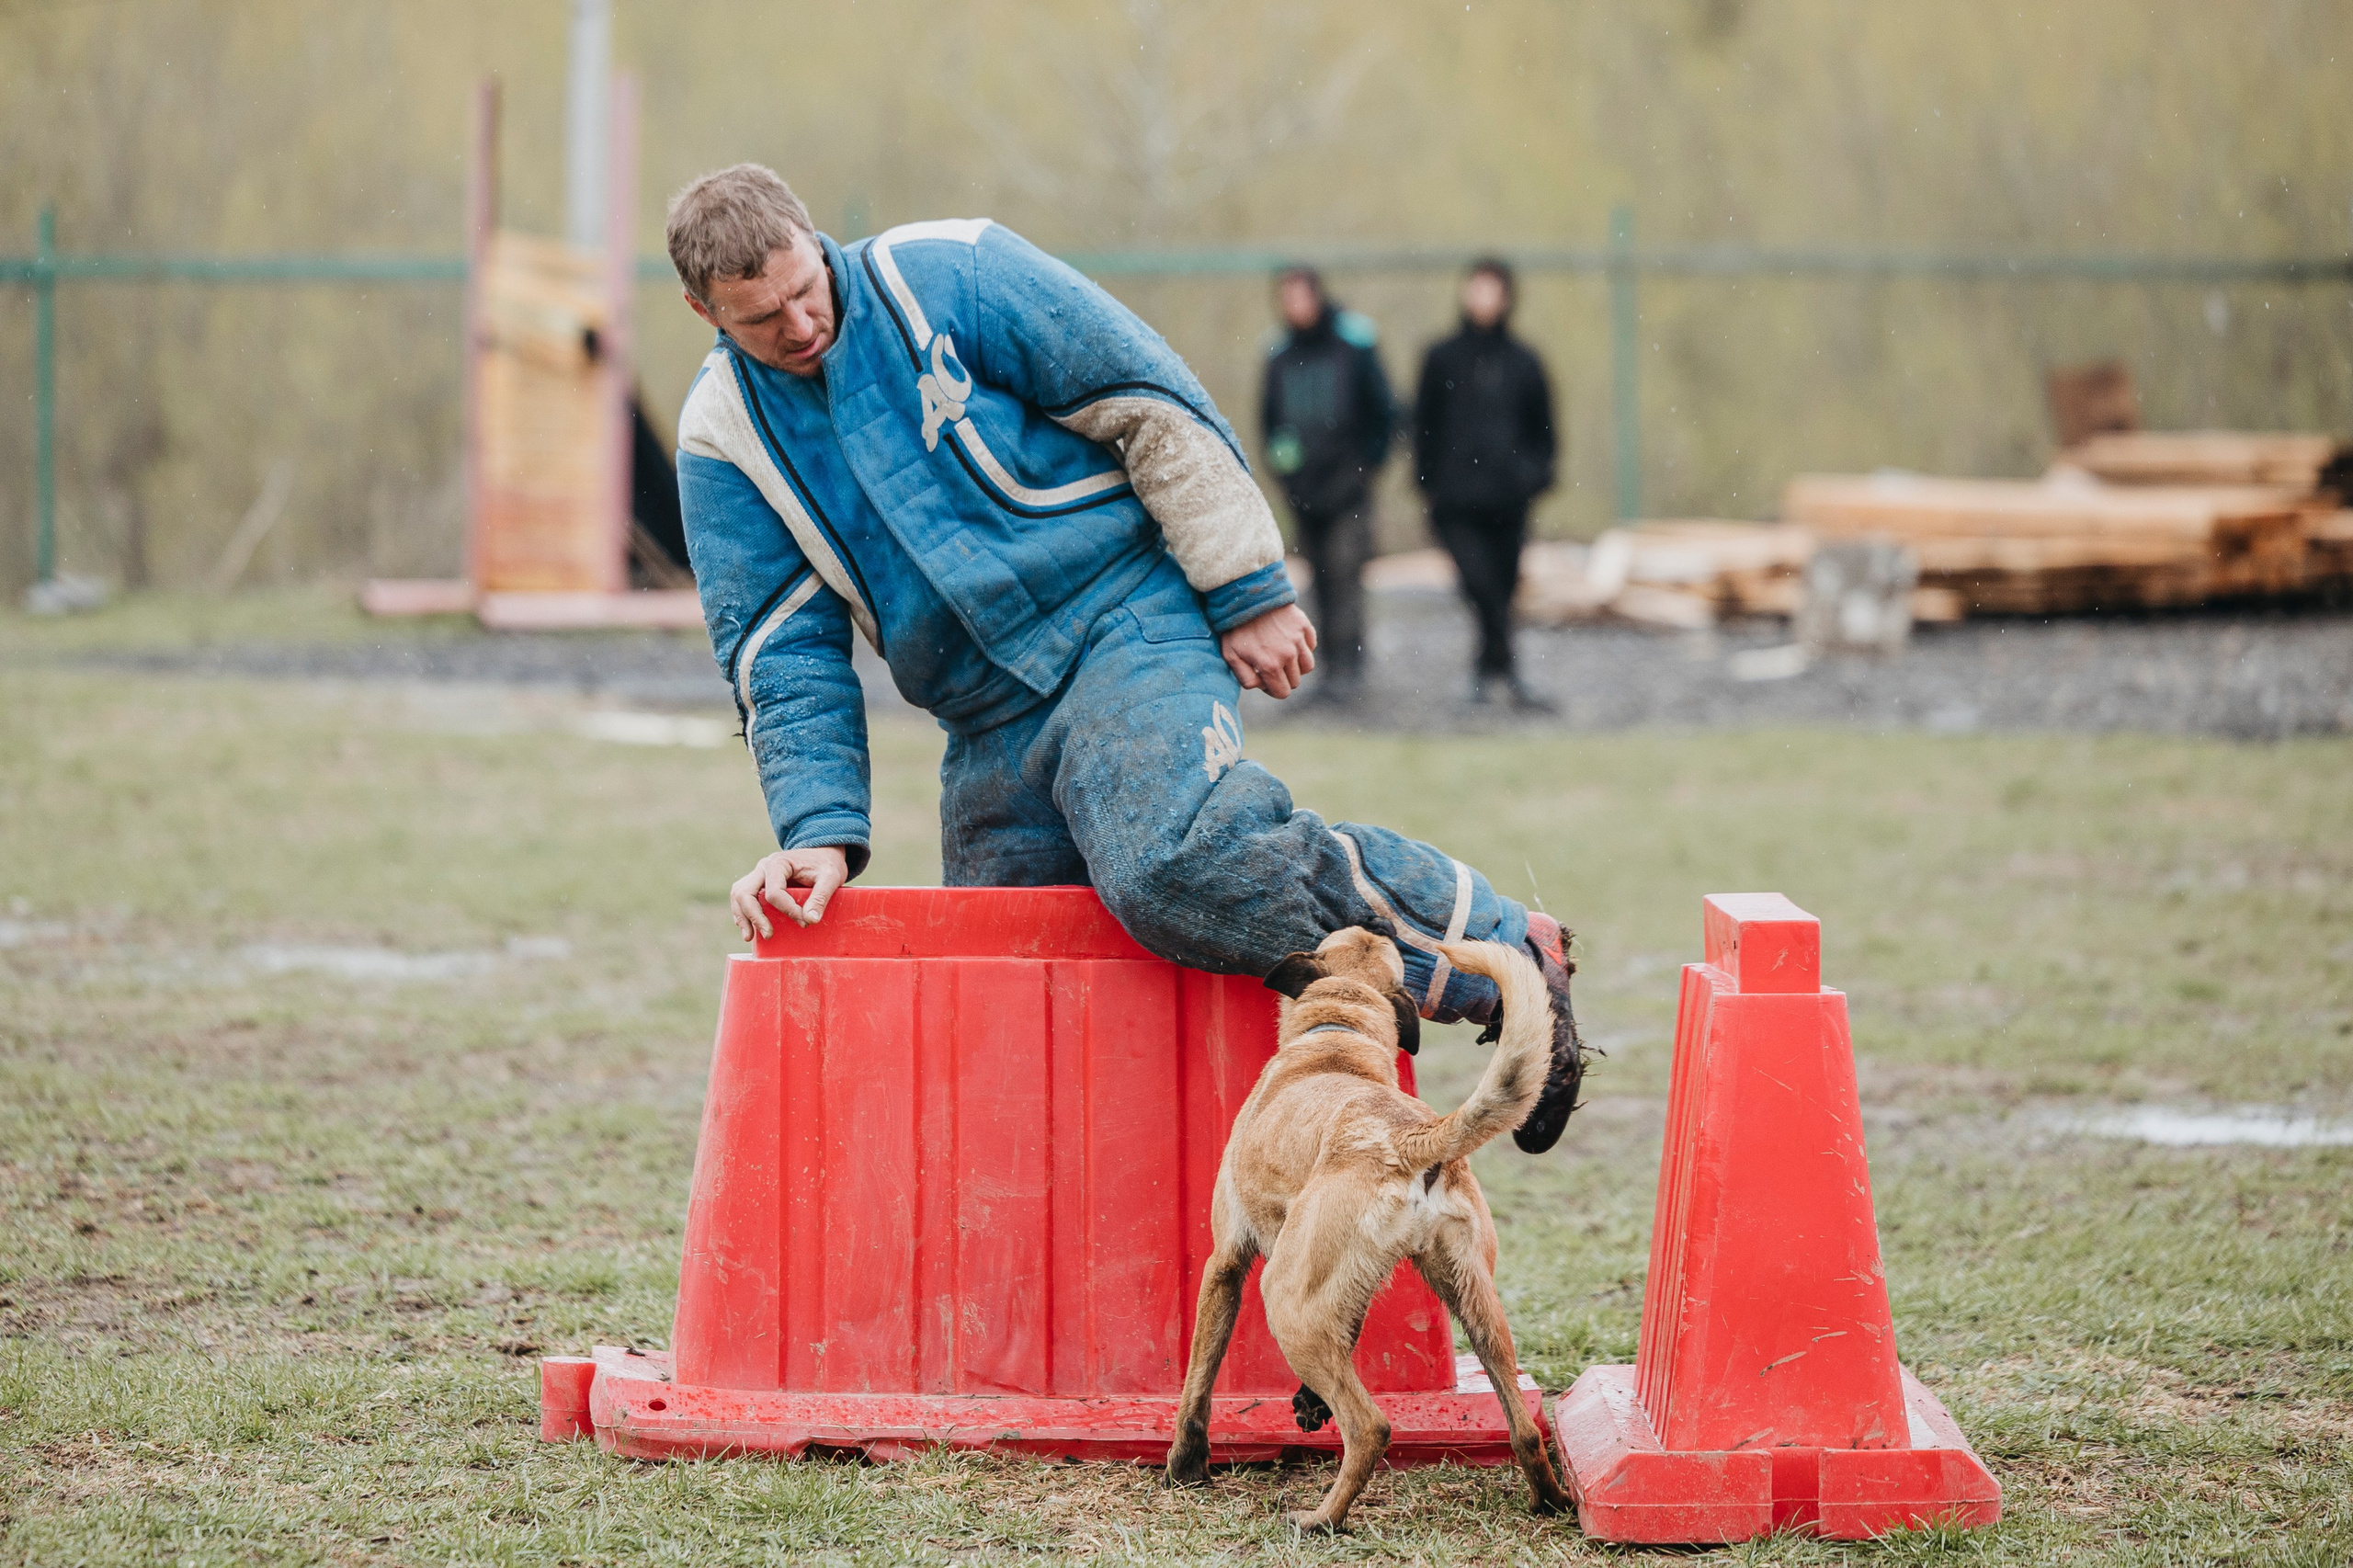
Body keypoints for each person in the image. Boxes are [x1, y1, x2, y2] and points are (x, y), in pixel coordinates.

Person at [665, 165, 1584, 1153]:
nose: (800, 326)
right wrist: (816, 830)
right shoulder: (724, 440)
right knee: (1005, 995)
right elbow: (779, 649)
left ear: (815, 238)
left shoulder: (952, 271)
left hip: (1123, 620)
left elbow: (1146, 399)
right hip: (983, 718)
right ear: (702, 310)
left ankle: (1501, 954)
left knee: (1165, 860)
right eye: (762, 320)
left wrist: (1246, 586)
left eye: (806, 290)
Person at [1414, 257, 1557, 710]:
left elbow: (1544, 429)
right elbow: (1423, 425)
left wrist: (1531, 477)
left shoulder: (1524, 362)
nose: (1482, 298)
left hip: (1508, 500)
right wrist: (1428, 482)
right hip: (1455, 501)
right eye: (1475, 288)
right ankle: (1505, 668)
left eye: (1491, 289)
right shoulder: (1441, 358)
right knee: (1480, 585)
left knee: (1503, 585)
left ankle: (1490, 670)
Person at [1260, 267, 1392, 704]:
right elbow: (1270, 424)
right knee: (1316, 579)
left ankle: (1350, 671)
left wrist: (1364, 466)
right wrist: (1285, 473)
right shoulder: (1278, 355)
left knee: (1345, 572)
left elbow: (1385, 412)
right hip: (1303, 492)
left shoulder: (1353, 347)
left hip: (1348, 488)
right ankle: (1326, 670)